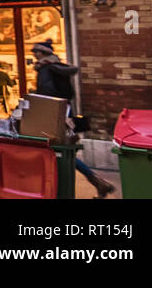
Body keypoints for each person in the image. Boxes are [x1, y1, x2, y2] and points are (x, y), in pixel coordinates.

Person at [31, 40, 115, 198]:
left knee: (59, 150)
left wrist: (35, 101)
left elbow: (47, 93)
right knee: (63, 150)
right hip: (64, 111)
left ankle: (94, 182)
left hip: (53, 113)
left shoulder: (46, 68)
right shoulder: (59, 66)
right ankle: (97, 182)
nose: (34, 54)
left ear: (42, 53)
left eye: (36, 51)